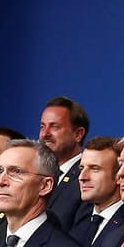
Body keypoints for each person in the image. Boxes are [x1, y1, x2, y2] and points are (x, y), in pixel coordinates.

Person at [72, 136, 124, 247]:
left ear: (119, 175)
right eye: (81, 168)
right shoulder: (79, 222)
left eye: (95, 169)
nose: (82, 177)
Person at [40, 97, 91, 229]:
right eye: (42, 126)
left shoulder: (86, 178)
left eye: (54, 126)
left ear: (78, 134)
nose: (45, 134)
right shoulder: (37, 175)